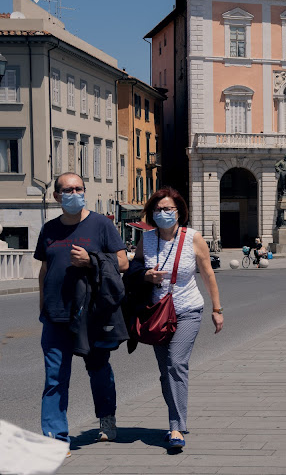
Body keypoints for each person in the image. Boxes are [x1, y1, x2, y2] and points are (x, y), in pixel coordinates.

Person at [34, 172, 129, 448]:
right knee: (54, 377)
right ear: (56, 196)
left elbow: (122, 262)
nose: (74, 194)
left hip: (93, 315)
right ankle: (55, 437)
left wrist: (91, 260)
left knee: (98, 369)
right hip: (55, 314)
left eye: (79, 189)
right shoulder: (49, 229)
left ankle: (107, 418)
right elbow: (43, 268)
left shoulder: (101, 225)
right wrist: (42, 303)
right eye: (68, 190)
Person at [134, 187, 223, 449]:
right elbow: (135, 268)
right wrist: (145, 275)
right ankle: (177, 422)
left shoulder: (194, 238)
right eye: (158, 210)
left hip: (188, 310)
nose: (163, 214)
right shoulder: (147, 239)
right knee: (166, 373)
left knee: (176, 364)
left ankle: (176, 427)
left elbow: (208, 274)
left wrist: (217, 310)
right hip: (157, 313)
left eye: (168, 209)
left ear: (179, 212)